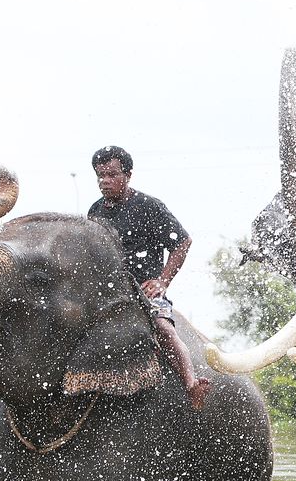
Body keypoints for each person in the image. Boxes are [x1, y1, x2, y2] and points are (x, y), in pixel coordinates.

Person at [87, 145, 210, 409]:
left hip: (143, 291)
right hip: (107, 294)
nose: (105, 182)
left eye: (112, 175)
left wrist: (163, 281)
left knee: (163, 328)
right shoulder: (95, 212)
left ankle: (190, 382)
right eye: (100, 176)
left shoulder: (149, 206)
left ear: (128, 175)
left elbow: (183, 241)